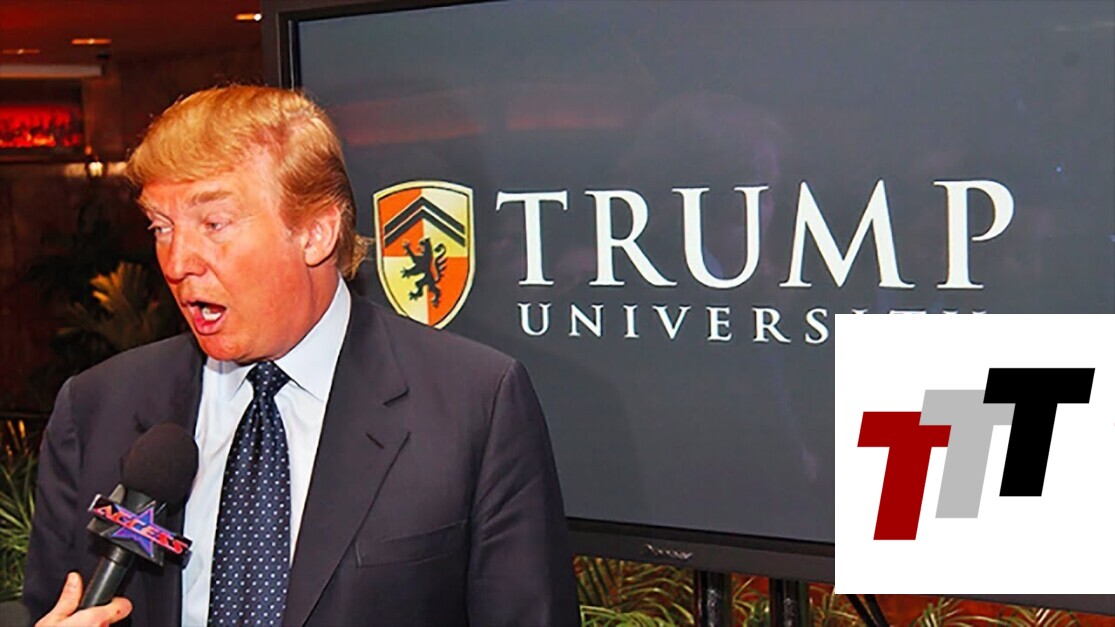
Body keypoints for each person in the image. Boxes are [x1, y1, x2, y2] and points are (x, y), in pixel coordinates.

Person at [23, 85, 579, 627]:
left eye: (214, 224)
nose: (177, 261)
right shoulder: (97, 409)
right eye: (161, 227)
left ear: (315, 232)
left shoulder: (473, 405)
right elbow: (53, 603)